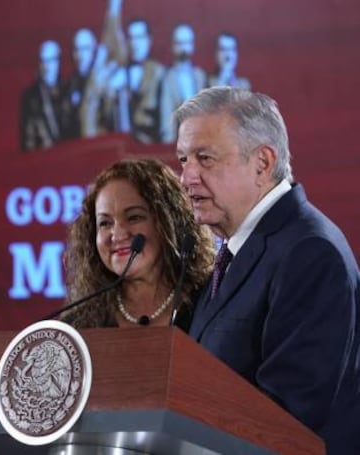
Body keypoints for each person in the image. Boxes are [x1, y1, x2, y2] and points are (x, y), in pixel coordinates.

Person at [174, 86, 360, 454]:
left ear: (262, 163)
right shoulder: (235, 251)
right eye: (183, 160)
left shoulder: (309, 252)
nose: (187, 177)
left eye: (205, 158)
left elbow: (287, 418)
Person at [61, 158, 214, 330]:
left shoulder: (211, 304)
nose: (118, 235)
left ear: (169, 223)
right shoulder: (77, 326)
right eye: (105, 223)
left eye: (134, 217)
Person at [103, 18, 165, 143]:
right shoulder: (119, 73)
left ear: (149, 40)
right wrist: (111, 91)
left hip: (152, 145)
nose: (134, 43)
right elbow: (106, 117)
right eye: (131, 38)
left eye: (139, 38)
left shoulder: (159, 72)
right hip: (122, 147)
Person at [160, 24, 207, 143]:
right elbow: (166, 120)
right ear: (172, 46)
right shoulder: (167, 78)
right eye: (179, 43)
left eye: (187, 43)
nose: (183, 48)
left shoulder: (200, 76)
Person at [20, 40, 67, 151]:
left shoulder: (68, 90)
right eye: (43, 61)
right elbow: (27, 139)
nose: (47, 66)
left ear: (58, 61)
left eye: (51, 61)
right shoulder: (30, 97)